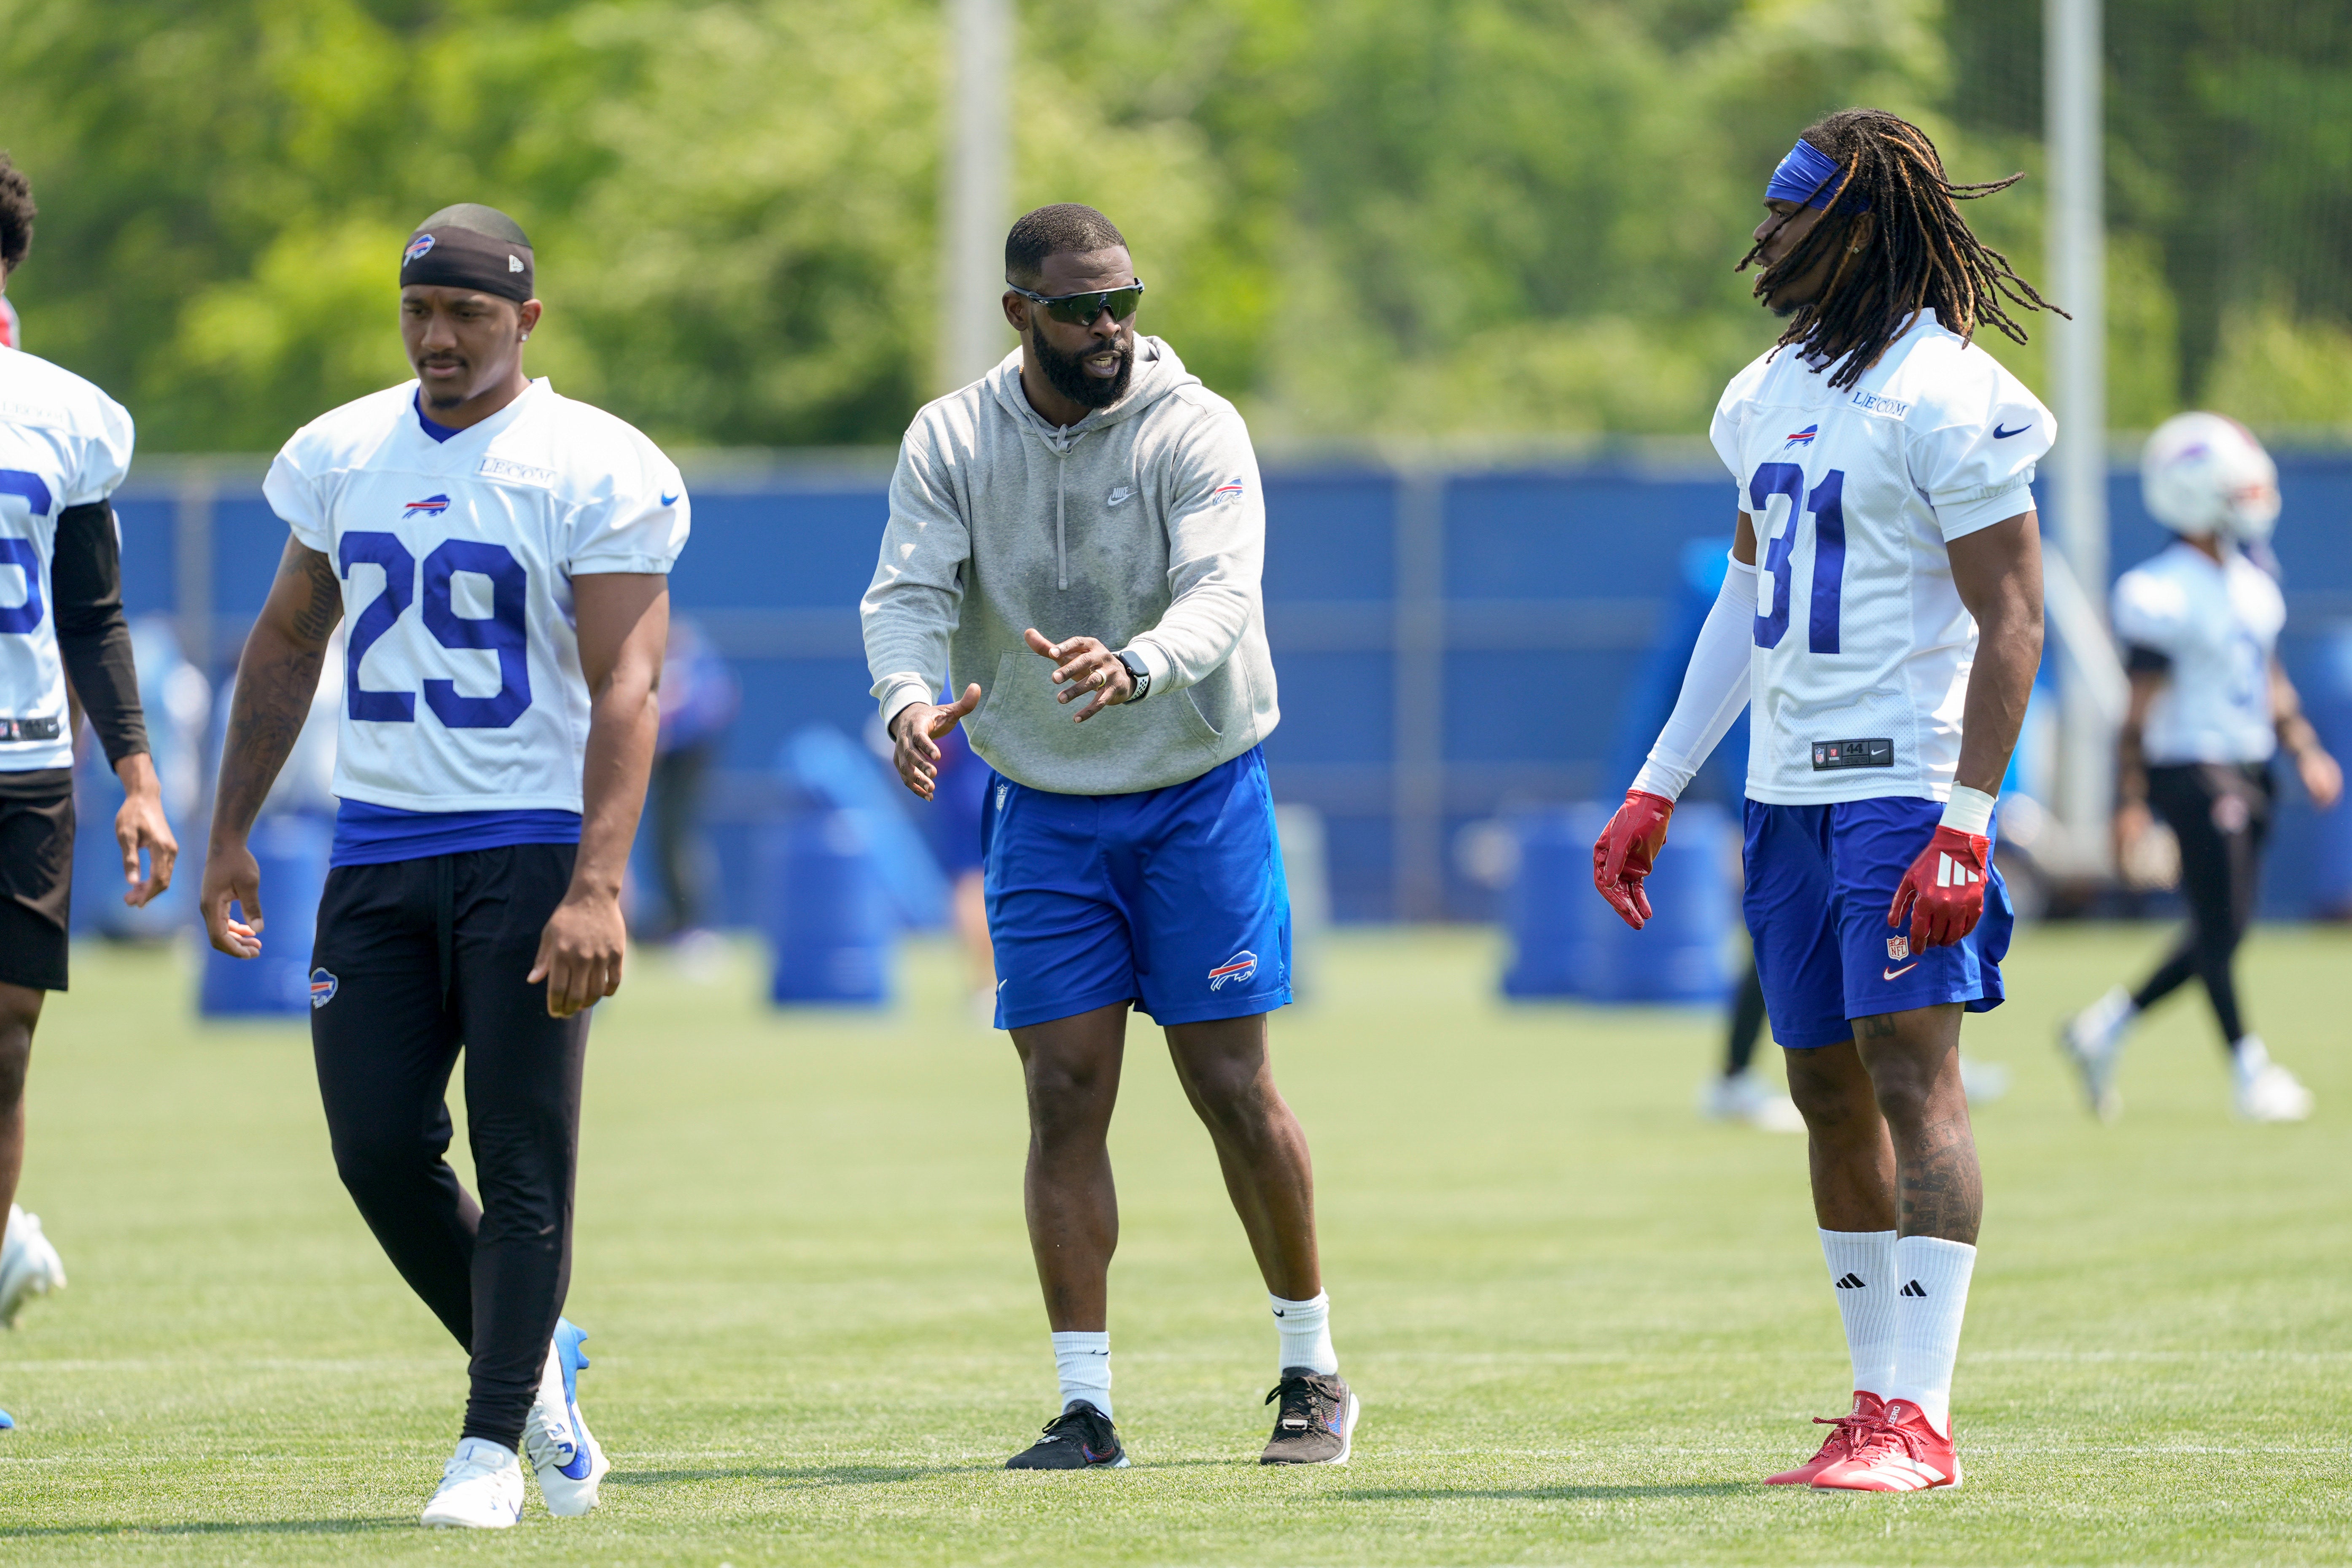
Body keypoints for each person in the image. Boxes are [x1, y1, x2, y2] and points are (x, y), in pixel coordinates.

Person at [1594, 110, 2057, 1492]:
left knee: (1913, 1077)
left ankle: (1923, 1418)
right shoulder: (1763, 389)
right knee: (1817, 1085)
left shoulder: (1947, 392)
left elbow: (2012, 613)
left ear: (1858, 229)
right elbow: (1743, 597)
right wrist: (1654, 783)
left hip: (1904, 779)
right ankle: (1870, 1400)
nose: (1764, 237)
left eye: (1791, 215)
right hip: (1784, 785)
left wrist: (1968, 819)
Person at [200, 204, 684, 1527]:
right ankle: (534, 1380)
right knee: (373, 1151)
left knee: (522, 1155)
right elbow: (291, 638)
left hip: (526, 847)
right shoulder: (343, 450)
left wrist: (599, 882)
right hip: (377, 844)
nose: (439, 337)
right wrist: (229, 826)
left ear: (526, 321)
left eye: (469, 314)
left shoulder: (593, 461)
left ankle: (487, 1452)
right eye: (420, 311)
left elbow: (629, 682)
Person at [862, 204, 1356, 1469]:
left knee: (1231, 1088)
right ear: (1019, 310)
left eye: (1125, 300)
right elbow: (908, 597)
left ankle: (1313, 1370)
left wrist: (1138, 667)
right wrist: (908, 702)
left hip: (1197, 785)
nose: (1109, 327)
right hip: (1042, 807)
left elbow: (1224, 589)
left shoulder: (1195, 423)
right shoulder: (953, 436)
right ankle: (1085, 1407)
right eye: (1081, 307)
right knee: (1061, 1094)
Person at [0, 155, 179, 1426]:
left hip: (23, 766)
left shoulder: (64, 413)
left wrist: (138, 777)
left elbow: (93, 611)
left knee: (5, 1043)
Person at [2060, 414, 2340, 1122]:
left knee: (2225, 927)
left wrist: (2304, 748)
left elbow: (2270, 680)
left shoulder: (2251, 580)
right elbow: (2137, 709)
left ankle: (2103, 1029)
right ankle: (2249, 1069)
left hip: (2249, 765)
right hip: (2189, 767)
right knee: (2220, 924)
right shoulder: (2160, 590)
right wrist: (2128, 801)